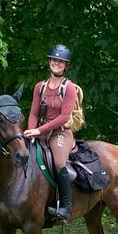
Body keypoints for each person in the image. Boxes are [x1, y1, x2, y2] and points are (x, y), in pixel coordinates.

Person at [24, 44, 77, 221]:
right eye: (54, 60)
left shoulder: (69, 88)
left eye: (60, 61)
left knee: (59, 163)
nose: (57, 63)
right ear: (49, 61)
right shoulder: (40, 87)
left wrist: (38, 130)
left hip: (60, 133)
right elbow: (33, 112)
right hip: (41, 131)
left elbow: (64, 117)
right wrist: (32, 131)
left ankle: (65, 208)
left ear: (66, 65)